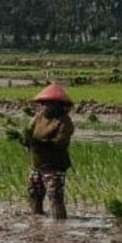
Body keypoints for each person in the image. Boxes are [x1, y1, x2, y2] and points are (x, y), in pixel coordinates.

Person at [25, 83, 75, 219]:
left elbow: (60, 143)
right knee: (34, 192)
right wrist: (26, 140)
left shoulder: (64, 122)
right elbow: (29, 133)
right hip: (37, 163)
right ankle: (36, 219)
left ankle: (59, 223)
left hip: (54, 165)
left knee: (54, 195)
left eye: (50, 103)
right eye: (44, 103)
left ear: (59, 105)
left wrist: (40, 143)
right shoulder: (38, 117)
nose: (46, 106)